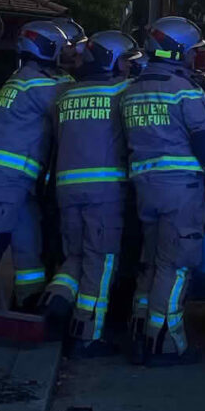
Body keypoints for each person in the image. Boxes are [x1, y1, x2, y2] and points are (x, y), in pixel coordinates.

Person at [123, 17, 205, 366]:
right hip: (180, 191)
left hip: (145, 189)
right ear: (178, 51)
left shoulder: (133, 90)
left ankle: (139, 332)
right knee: (177, 266)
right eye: (191, 52)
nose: (192, 59)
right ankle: (165, 342)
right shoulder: (185, 91)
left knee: (152, 263)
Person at [0, 20, 76, 319]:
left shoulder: (24, 78)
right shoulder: (44, 85)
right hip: (4, 180)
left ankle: (29, 299)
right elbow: (72, 102)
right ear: (48, 48)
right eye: (63, 48)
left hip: (17, 180)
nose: (67, 53)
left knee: (28, 244)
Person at [42, 31, 135, 357]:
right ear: (111, 60)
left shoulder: (65, 97)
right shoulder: (123, 92)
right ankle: (88, 335)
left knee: (76, 256)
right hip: (105, 191)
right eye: (124, 60)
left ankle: (56, 297)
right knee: (102, 262)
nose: (127, 67)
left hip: (67, 190)